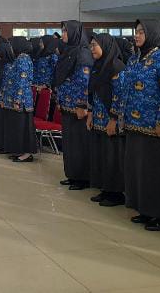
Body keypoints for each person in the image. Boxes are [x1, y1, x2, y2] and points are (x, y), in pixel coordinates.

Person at [124, 19, 160, 231]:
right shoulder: (136, 58)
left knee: (159, 173)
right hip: (135, 125)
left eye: (141, 32)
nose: (137, 35)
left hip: (157, 128)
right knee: (141, 171)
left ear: (153, 34)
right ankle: (146, 209)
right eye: (136, 31)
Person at [86, 33, 127, 207]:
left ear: (105, 46)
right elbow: (92, 91)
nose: (92, 49)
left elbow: (120, 95)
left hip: (111, 119)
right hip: (98, 118)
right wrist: (90, 114)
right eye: (91, 45)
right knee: (102, 155)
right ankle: (105, 189)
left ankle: (116, 193)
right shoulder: (98, 65)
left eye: (95, 45)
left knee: (113, 156)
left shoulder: (116, 66)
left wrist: (114, 119)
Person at [54, 21, 93, 190]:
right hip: (66, 104)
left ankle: (83, 178)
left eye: (65, 31)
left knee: (79, 144)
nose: (63, 34)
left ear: (74, 33)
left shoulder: (83, 53)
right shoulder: (68, 51)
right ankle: (72, 174)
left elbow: (84, 81)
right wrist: (59, 100)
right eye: (62, 31)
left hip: (78, 107)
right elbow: (60, 78)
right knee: (69, 144)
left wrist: (82, 104)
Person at [4, 37, 37, 162]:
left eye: (12, 45)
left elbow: (22, 81)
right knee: (18, 127)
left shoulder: (23, 59)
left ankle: (27, 154)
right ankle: (19, 151)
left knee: (23, 128)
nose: (10, 48)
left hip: (22, 100)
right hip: (17, 98)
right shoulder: (19, 58)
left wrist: (17, 99)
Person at [0, 41, 16, 153]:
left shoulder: (9, 66)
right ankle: (1, 144)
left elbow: (7, 85)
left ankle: (5, 146)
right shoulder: (1, 64)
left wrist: (2, 99)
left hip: (5, 99)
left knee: (5, 123)